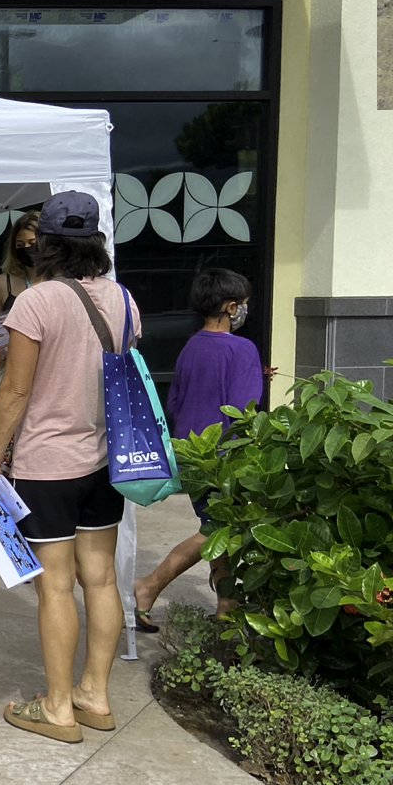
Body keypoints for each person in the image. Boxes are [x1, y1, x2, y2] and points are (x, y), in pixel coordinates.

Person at [0, 189, 141, 743]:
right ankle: (96, 694)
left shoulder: (36, 302)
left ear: (44, 242)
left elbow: (15, 390)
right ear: (96, 240)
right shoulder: (123, 299)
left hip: (46, 463)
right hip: (102, 458)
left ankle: (58, 707)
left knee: (54, 587)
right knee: (100, 579)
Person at [131, 265, 270, 628]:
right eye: (242, 303)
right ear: (229, 306)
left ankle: (226, 605)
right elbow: (243, 409)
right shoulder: (243, 348)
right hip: (223, 455)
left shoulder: (192, 345)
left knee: (216, 525)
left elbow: (177, 400)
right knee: (220, 530)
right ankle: (149, 585)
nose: (244, 310)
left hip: (190, 451)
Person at [0, 212, 41, 393]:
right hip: (12, 376)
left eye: (33, 244)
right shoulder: (2, 284)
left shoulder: (64, 283)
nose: (27, 250)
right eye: (20, 245)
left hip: (52, 377)